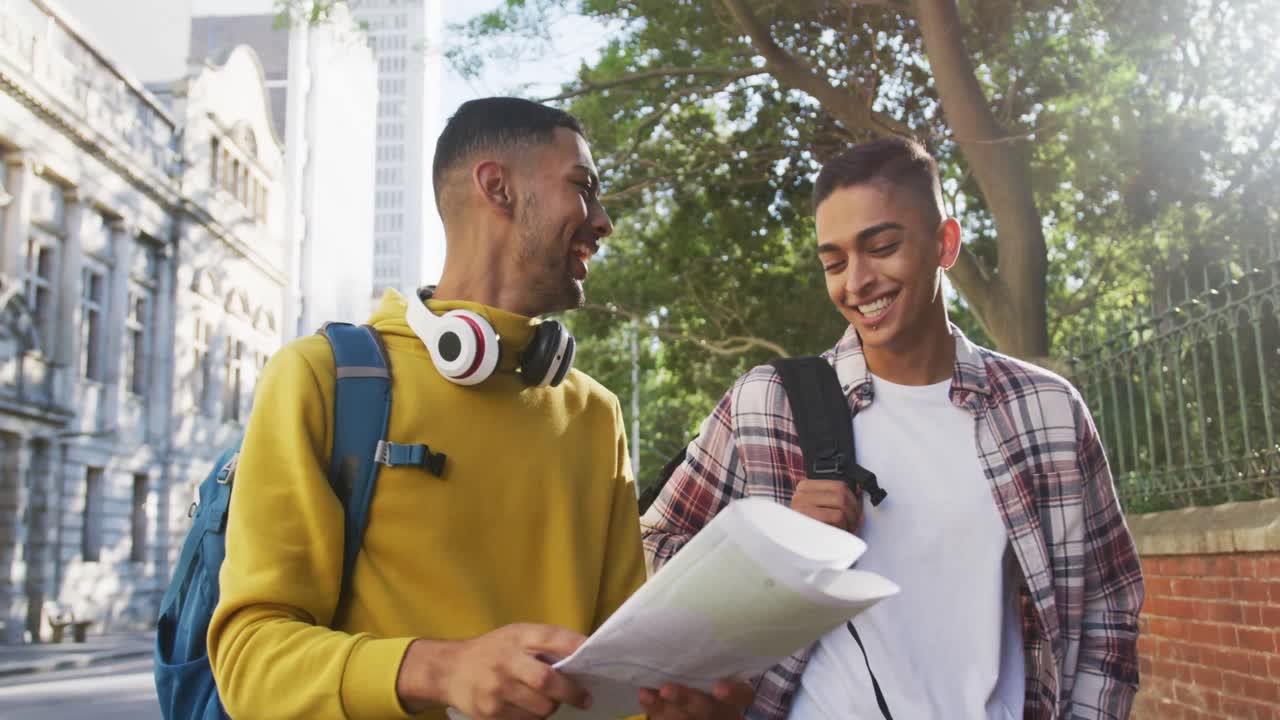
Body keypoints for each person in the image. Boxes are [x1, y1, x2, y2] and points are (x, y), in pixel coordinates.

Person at [209, 97, 751, 720]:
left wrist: (676, 709)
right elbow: (248, 660)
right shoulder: (320, 378)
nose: (603, 222)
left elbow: (616, 682)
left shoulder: (595, 415)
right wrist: (439, 669)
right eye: (583, 187)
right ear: (498, 187)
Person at [640, 137, 1144, 719]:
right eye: (834, 262)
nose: (856, 282)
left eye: (880, 247)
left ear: (944, 243)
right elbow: (650, 551)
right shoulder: (769, 402)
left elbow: (1109, 607)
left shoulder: (1047, 410)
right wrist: (772, 546)